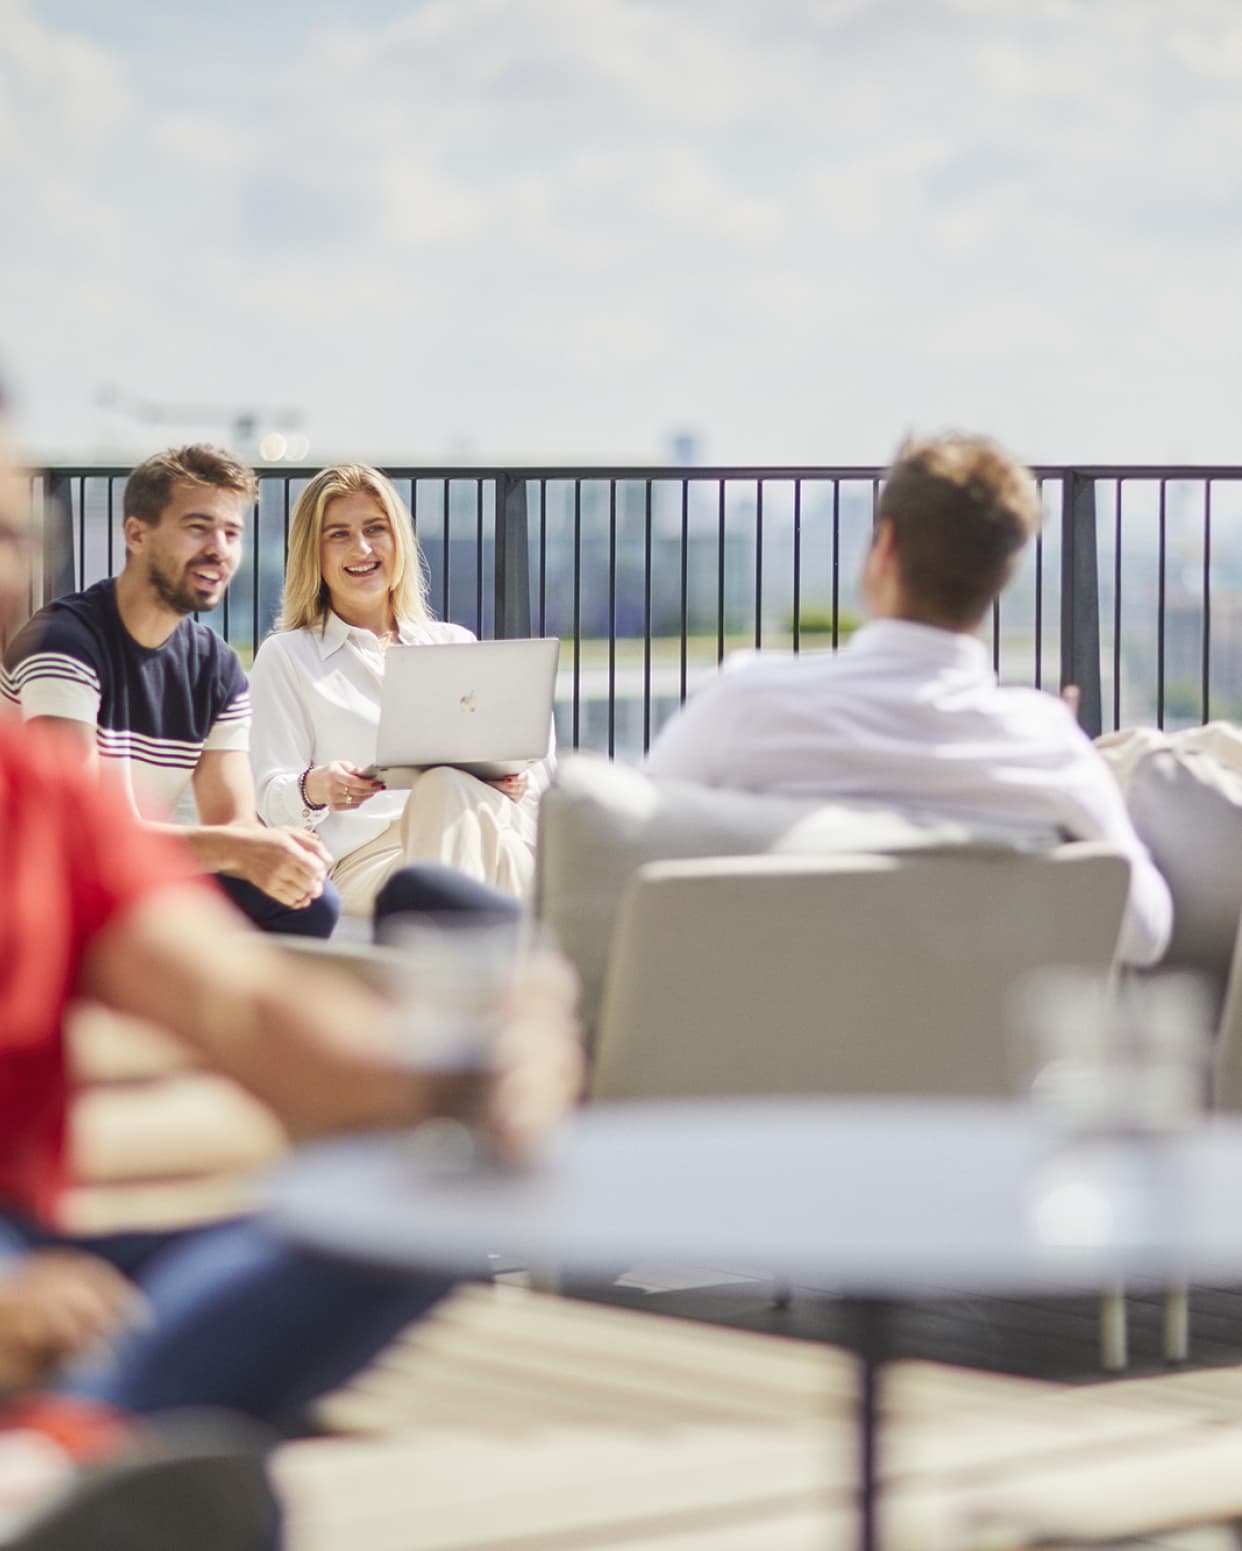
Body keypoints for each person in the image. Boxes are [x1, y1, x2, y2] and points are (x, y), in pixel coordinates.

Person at [0, 429, 581, 1531]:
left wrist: (476, 1067)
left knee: (417, 1200)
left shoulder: (51, 799)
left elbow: (253, 1012)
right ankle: (85, 1443)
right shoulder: (98, 661)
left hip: (54, 1229)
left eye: (12, 537)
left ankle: (66, 1449)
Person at [645, 432, 1173, 968]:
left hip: (776, 1035)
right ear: (1001, 577)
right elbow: (1147, 931)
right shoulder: (1046, 745)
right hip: (979, 1049)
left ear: (886, 547)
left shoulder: (743, 706)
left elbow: (629, 844)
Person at [2, 444, 338, 938]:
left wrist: (277, 852)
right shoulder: (65, 641)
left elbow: (233, 824)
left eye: (232, 532)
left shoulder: (217, 667)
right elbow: (75, 836)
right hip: (36, 881)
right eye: (198, 527)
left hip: (131, 874)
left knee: (306, 900)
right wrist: (236, 849)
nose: (218, 549)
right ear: (136, 534)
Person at [248, 464, 548, 918]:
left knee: (456, 794)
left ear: (398, 543)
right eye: (339, 535)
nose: (362, 548)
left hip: (484, 831)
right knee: (450, 794)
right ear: (314, 554)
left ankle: (448, 964)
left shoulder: (453, 644)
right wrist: (316, 787)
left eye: (375, 529)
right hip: (371, 862)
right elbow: (268, 802)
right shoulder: (288, 656)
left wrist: (519, 780)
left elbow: (535, 770)